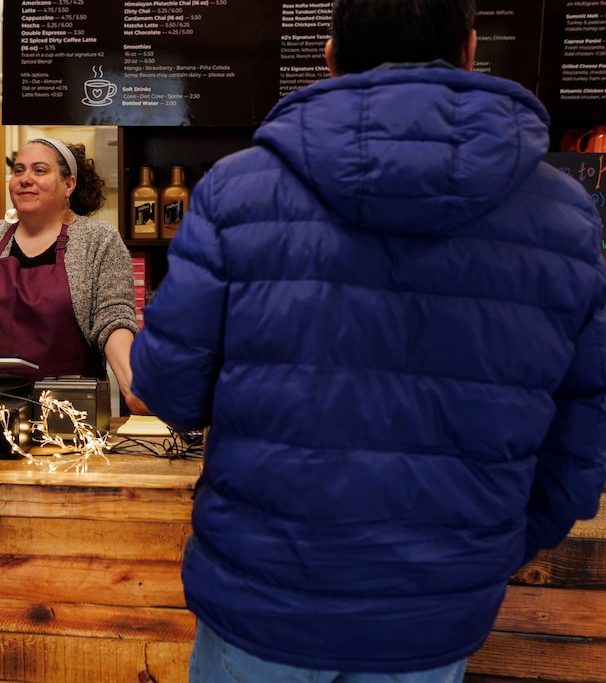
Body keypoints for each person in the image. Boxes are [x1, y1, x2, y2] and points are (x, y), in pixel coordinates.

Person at [129, 1, 606, 681]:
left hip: (266, 599)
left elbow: (170, 389)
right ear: (471, 52)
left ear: (329, 58)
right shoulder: (564, 216)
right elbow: (586, 436)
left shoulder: (236, 192)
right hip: (433, 614)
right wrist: (488, 547)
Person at [0, 137, 148, 414]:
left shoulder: (99, 240)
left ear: (69, 184)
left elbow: (114, 319)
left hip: (70, 414)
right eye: (19, 170)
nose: (25, 179)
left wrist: (134, 388)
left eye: (39, 170)